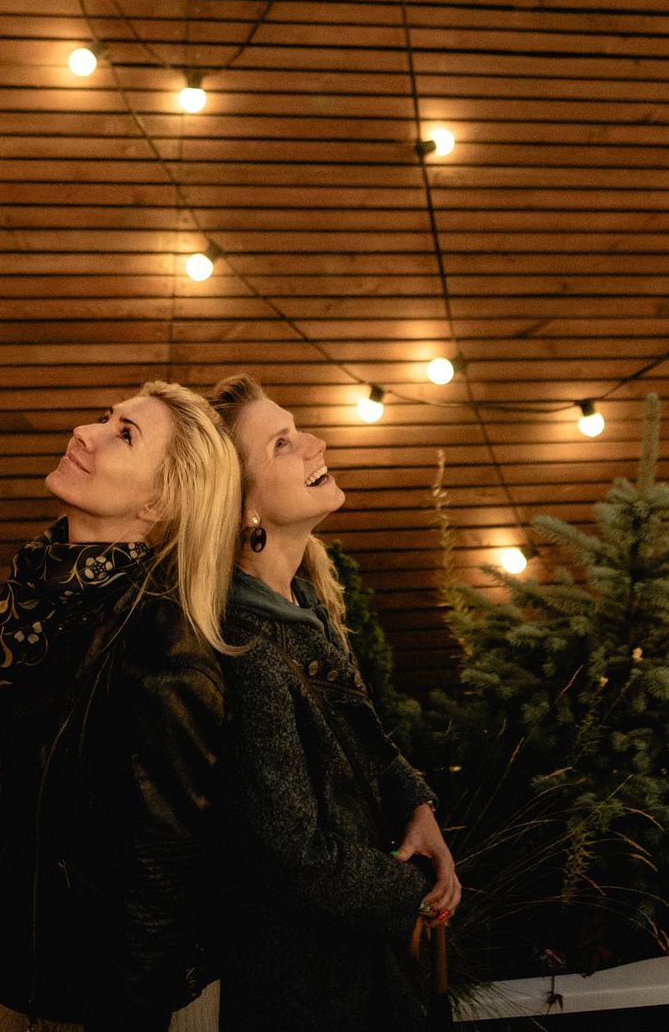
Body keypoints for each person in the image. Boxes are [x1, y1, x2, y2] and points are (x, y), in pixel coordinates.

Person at [0, 382, 244, 1032]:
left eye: (124, 433)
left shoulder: (161, 641)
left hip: (124, 995)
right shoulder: (51, 600)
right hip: (43, 967)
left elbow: (167, 873)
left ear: (158, 500)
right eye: (107, 417)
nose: (85, 429)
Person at [209, 374, 462, 1031]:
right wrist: (416, 893)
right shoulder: (248, 644)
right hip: (309, 989)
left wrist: (415, 802)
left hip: (356, 965)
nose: (318, 442)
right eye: (283, 444)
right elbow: (292, 855)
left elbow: (359, 731)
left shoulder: (307, 600)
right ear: (242, 507)